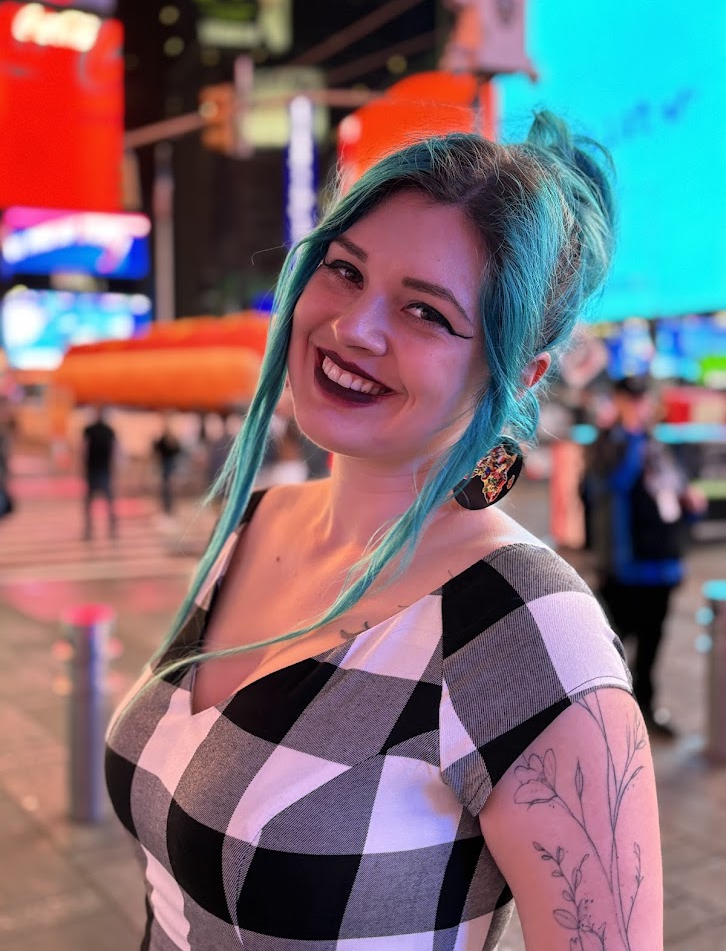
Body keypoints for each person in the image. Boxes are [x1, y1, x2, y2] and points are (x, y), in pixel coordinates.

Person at [106, 114, 663, 950]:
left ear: (517, 374)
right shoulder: (258, 521)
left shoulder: (529, 634)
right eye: (344, 270)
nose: (354, 328)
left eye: (426, 313)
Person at [582, 375, 707, 739]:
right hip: (623, 562)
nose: (639, 406)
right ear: (618, 401)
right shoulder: (609, 443)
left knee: (653, 641)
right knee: (616, 643)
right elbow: (606, 486)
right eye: (631, 400)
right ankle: (611, 716)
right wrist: (631, 437)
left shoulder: (657, 444)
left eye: (643, 400)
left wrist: (690, 502)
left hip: (662, 560)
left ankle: (646, 709)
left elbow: (675, 487)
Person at [81, 406, 117, 539]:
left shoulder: (108, 430)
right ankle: (90, 529)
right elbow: (84, 449)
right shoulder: (91, 430)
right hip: (96, 469)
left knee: (105, 501)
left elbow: (114, 450)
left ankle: (108, 529)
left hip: (101, 470)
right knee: (94, 502)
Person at [152, 415, 182, 515]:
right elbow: (157, 449)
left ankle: (169, 507)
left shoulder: (170, 440)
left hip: (169, 466)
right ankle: (167, 507)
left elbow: (177, 451)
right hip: (166, 466)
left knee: (169, 488)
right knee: (166, 488)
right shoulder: (164, 440)